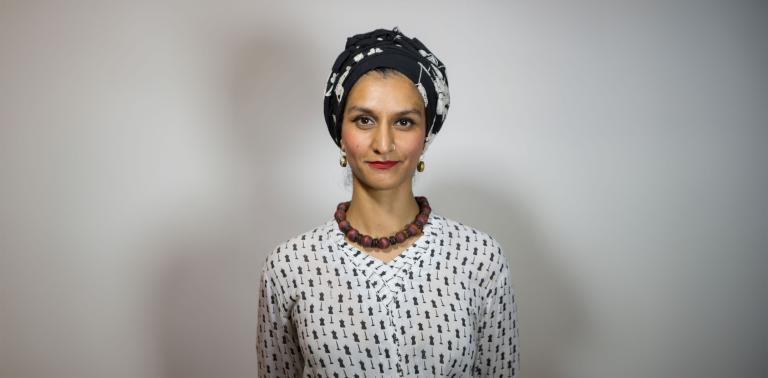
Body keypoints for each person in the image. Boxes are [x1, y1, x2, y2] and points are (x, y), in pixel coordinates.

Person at [257, 27, 519, 377]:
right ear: (340, 131)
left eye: (404, 122)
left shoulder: (480, 259)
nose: (383, 143)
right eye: (364, 120)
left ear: (425, 135)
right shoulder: (289, 266)